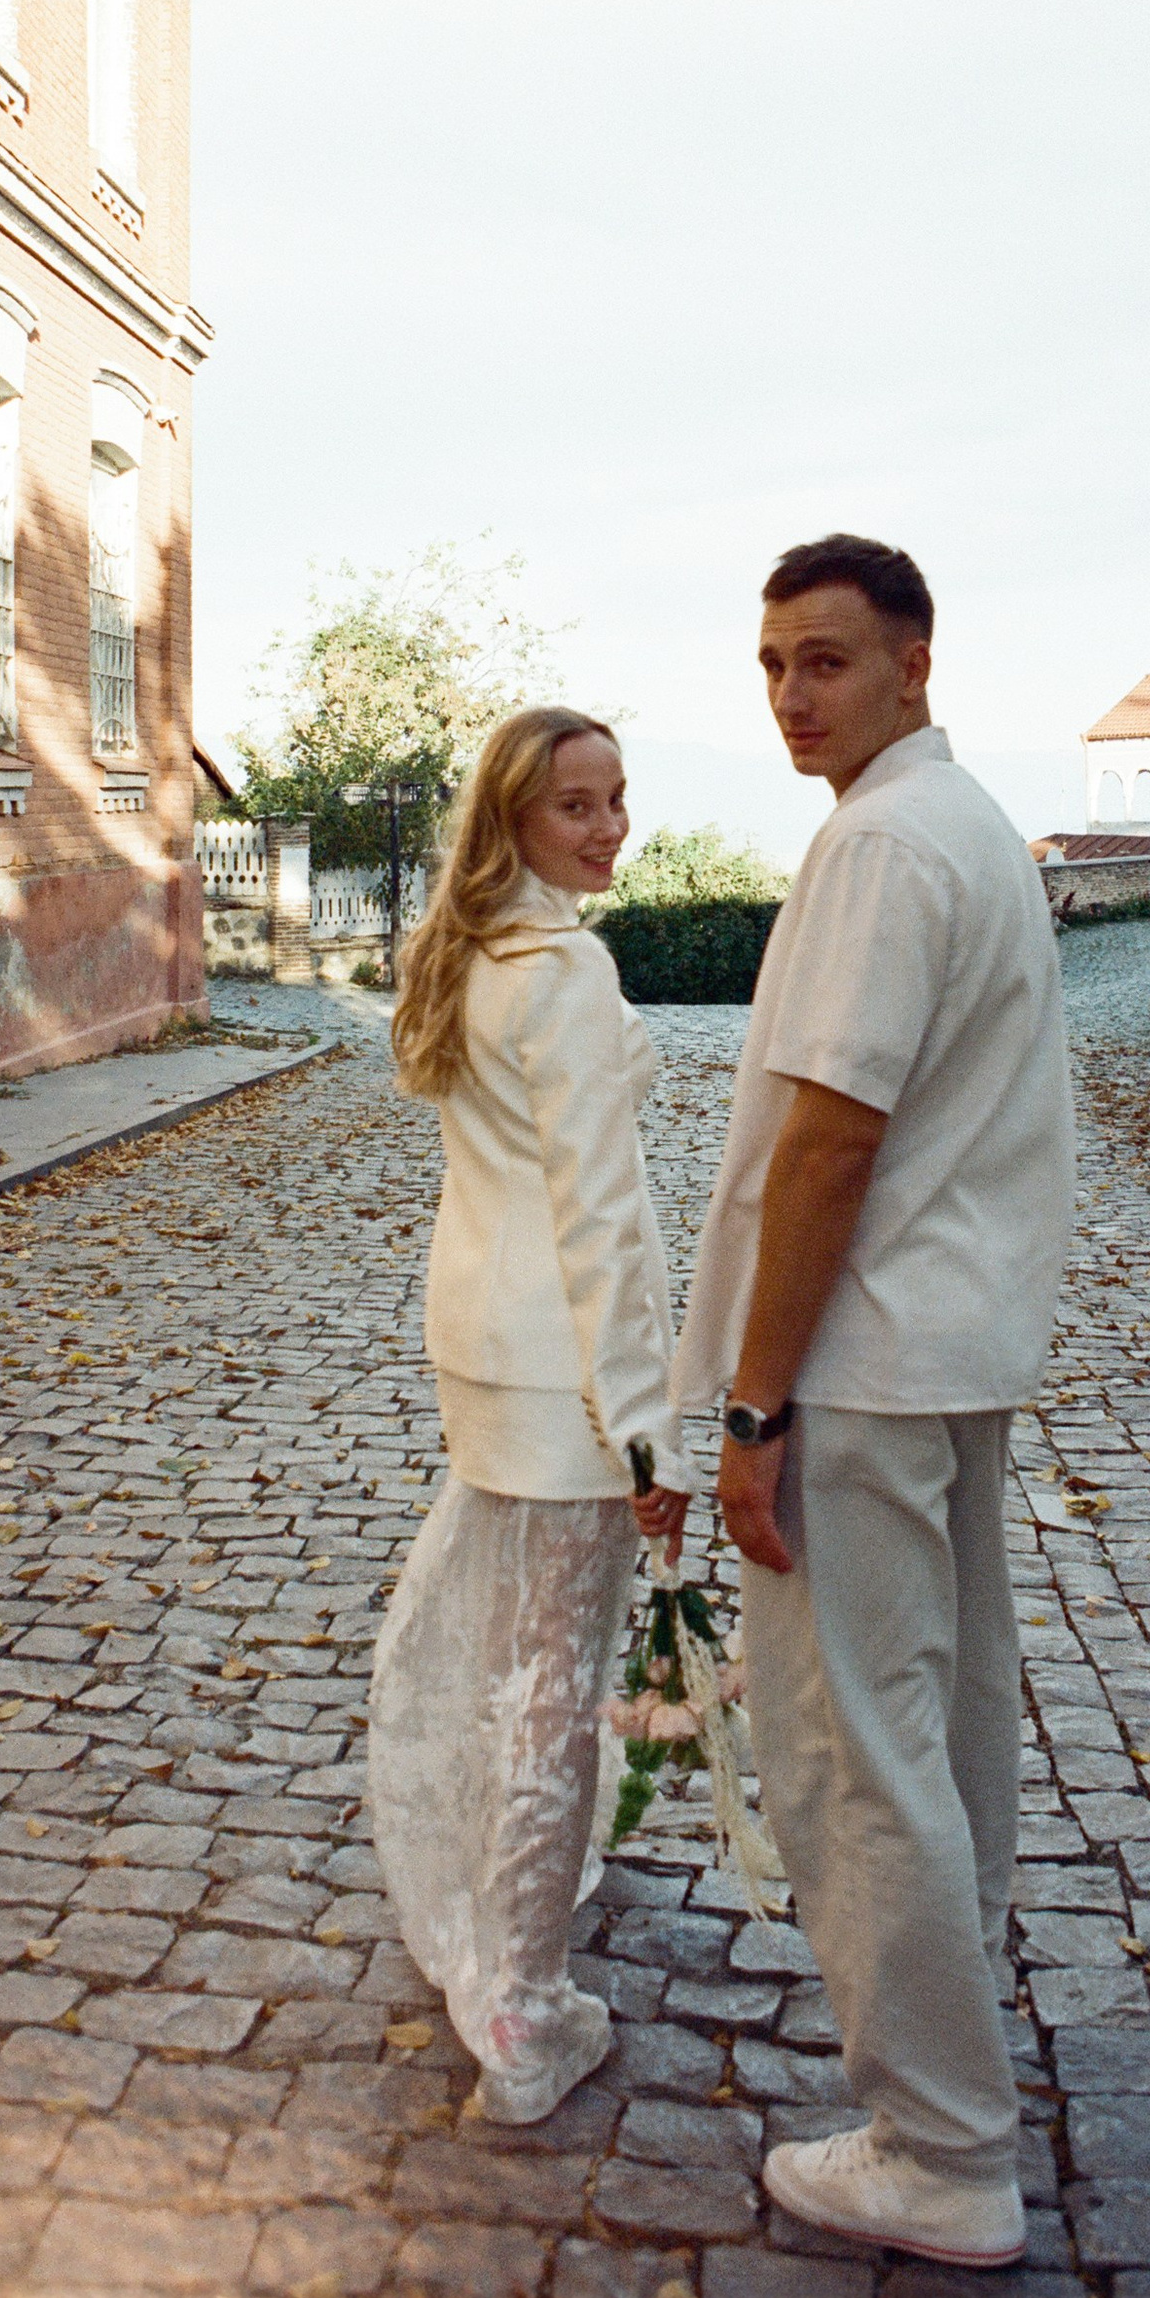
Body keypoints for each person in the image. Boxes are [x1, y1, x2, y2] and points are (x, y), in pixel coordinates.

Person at [674, 534, 1074, 2263]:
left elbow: (830, 1142)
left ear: (914, 664)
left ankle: (942, 2148)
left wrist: (752, 1409)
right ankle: (955, 2040)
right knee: (947, 1720)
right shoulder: (962, 822)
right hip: (947, 1352)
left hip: (865, 1364)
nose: (790, 695)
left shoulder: (888, 845)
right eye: (772, 663)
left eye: (825, 661)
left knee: (856, 1749)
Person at [368, 706, 695, 2126]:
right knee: (554, 1686)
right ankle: (524, 2007)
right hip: (565, 1375)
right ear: (514, 820)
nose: (610, 827)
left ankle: (512, 1943)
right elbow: (600, 1222)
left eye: (618, 798)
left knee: (525, 1662)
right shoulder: (560, 971)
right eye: (576, 805)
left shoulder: (472, 952)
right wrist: (647, 1430)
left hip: (484, 1348)